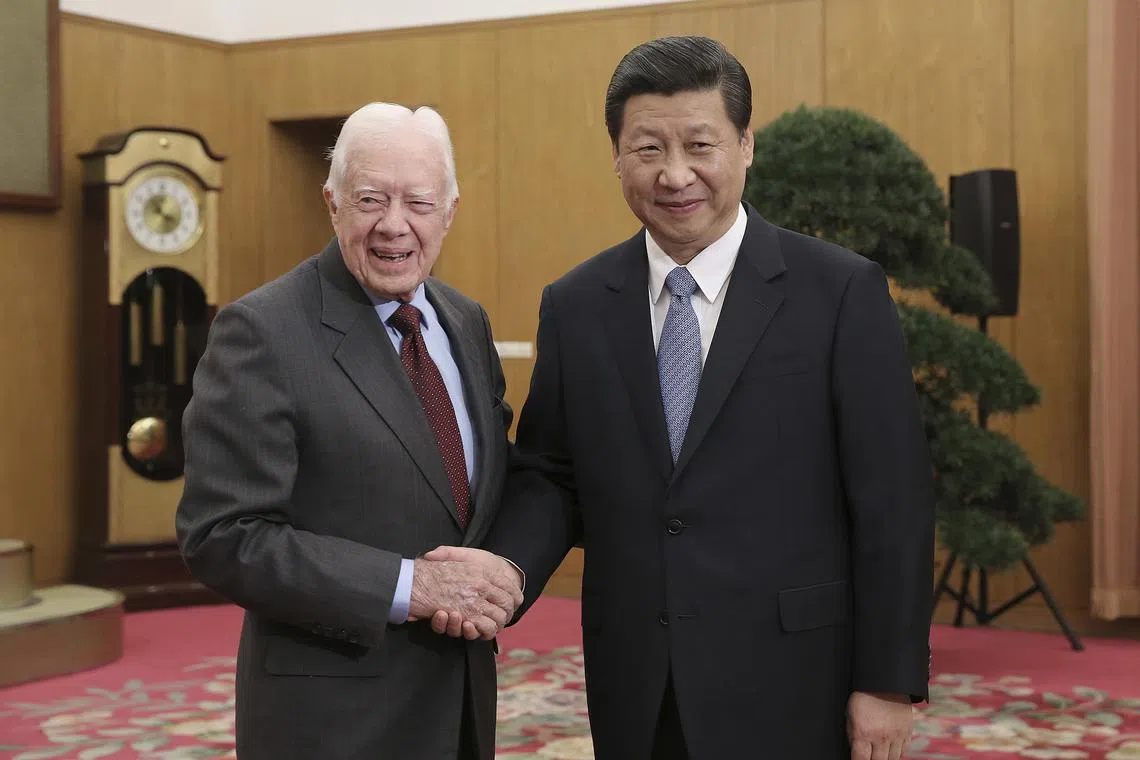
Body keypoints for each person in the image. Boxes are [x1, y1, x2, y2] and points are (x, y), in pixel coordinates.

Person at [432, 36, 935, 760]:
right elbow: (553, 473)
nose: (675, 175)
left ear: (745, 145)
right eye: (647, 149)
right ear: (615, 154)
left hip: (797, 677)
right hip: (640, 676)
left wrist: (887, 681)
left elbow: (893, 497)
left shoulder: (839, 292)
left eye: (700, 144)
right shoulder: (577, 305)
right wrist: (505, 568)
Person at [175, 102, 524, 760]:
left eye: (418, 202)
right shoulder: (263, 332)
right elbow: (222, 534)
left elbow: (480, 490)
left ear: (449, 212)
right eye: (370, 198)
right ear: (332, 203)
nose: (393, 225)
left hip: (459, 708)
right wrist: (406, 585)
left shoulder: (465, 321)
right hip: (332, 720)